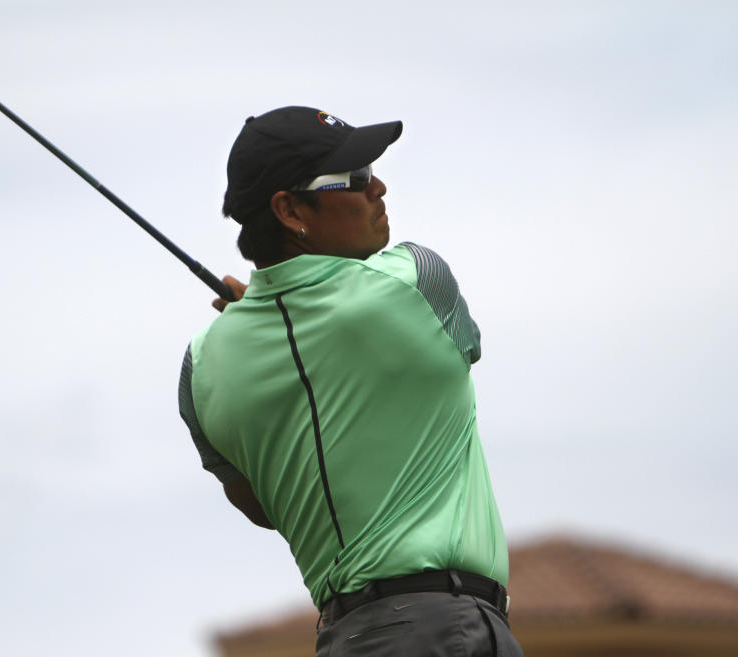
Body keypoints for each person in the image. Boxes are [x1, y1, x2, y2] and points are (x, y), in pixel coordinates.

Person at [178, 106, 523, 656]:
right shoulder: (416, 279)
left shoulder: (200, 368)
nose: (378, 187)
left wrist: (265, 326)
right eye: (356, 178)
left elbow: (262, 506)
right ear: (290, 210)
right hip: (447, 629)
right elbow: (465, 348)